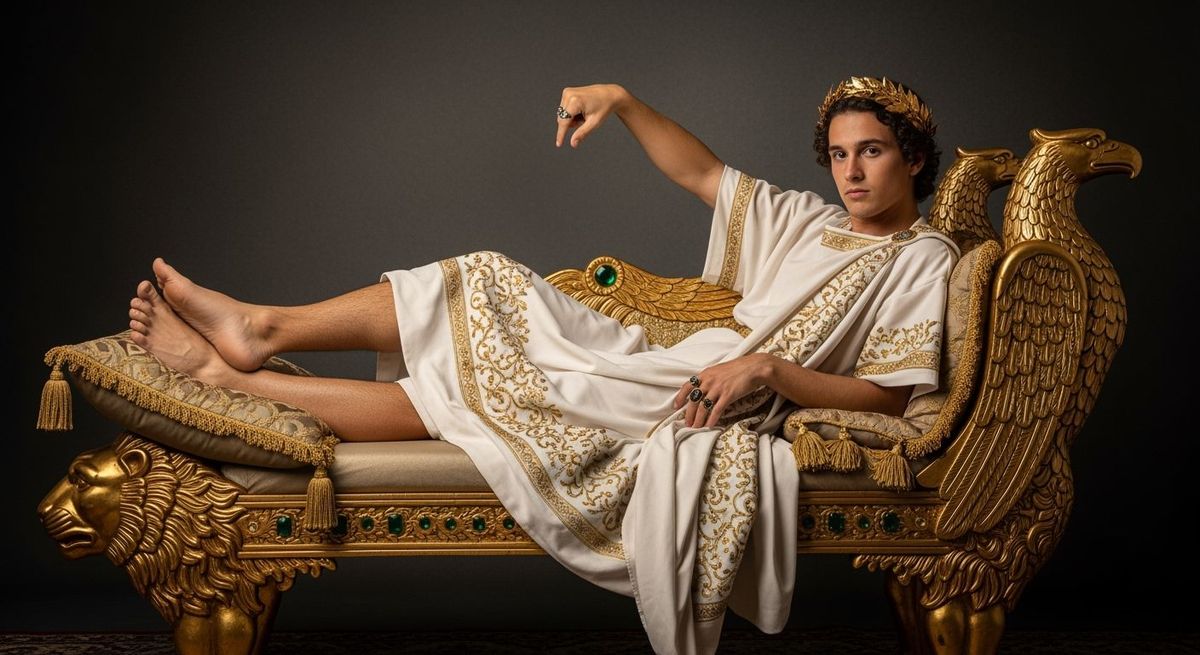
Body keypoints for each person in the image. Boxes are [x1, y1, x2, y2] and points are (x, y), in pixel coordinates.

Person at [126, 76, 957, 655]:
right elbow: (704, 172)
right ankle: (261, 328)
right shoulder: (811, 222)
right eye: (839, 154)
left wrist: (769, 371)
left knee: (484, 391)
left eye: (872, 152)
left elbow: (886, 399)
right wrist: (621, 101)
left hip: (701, 396)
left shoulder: (923, 259)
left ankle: (236, 376)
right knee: (484, 275)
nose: (851, 171)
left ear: (913, 158)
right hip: (666, 360)